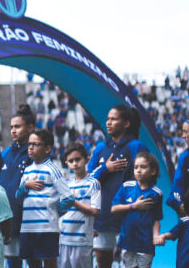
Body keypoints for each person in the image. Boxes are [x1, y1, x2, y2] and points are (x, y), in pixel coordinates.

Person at [88, 105, 145, 268]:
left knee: (133, 261)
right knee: (102, 261)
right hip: (104, 213)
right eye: (107, 119)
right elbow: (88, 179)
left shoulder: (136, 147)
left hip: (129, 214)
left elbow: (147, 177)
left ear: (126, 123)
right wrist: (106, 168)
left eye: (114, 119)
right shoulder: (100, 148)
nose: (108, 123)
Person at [16, 130, 72, 268]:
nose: (30, 147)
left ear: (47, 149)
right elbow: (18, 196)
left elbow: (69, 198)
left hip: (46, 228)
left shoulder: (52, 169)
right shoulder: (27, 170)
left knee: (49, 262)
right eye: (29, 144)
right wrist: (25, 185)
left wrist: (54, 212)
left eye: (35, 144)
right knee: (32, 263)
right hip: (28, 227)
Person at [110, 152, 164, 268]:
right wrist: (134, 206)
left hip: (145, 244)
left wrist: (156, 236)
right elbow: (114, 208)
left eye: (143, 167)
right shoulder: (126, 187)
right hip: (127, 242)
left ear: (153, 171)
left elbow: (156, 219)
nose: (138, 170)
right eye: (136, 167)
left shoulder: (156, 193)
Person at [0, 104, 35, 268]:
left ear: (30, 128)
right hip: (9, 218)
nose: (13, 130)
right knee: (12, 262)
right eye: (12, 127)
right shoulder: (5, 154)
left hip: (30, 219)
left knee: (35, 262)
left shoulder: (35, 154)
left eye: (18, 126)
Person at [59, 142, 101, 268]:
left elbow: (95, 211)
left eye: (78, 159)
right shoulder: (66, 184)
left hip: (82, 241)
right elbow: (62, 209)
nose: (75, 163)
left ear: (86, 160)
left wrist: (73, 201)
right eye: (71, 161)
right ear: (67, 163)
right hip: (65, 239)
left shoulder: (93, 183)